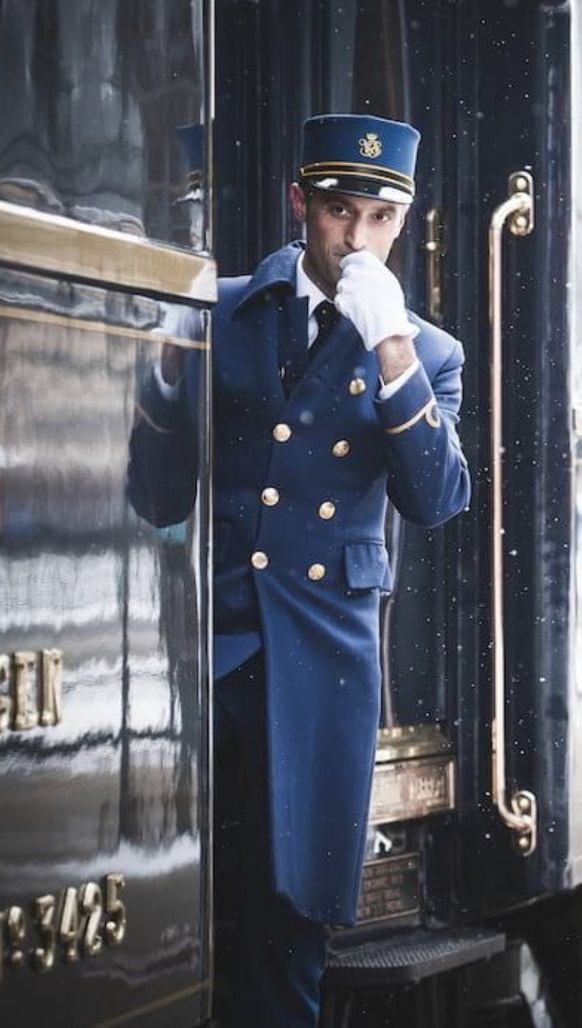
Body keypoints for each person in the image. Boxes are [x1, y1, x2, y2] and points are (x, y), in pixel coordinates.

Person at [129, 113, 470, 1027]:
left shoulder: (428, 354)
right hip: (214, 660)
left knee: (287, 937)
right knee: (186, 918)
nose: (355, 239)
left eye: (377, 217)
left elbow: (437, 498)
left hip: (322, 666)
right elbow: (157, 496)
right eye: (336, 211)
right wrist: (163, 375)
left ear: (401, 222)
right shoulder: (226, 310)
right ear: (299, 203)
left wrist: (391, 344)